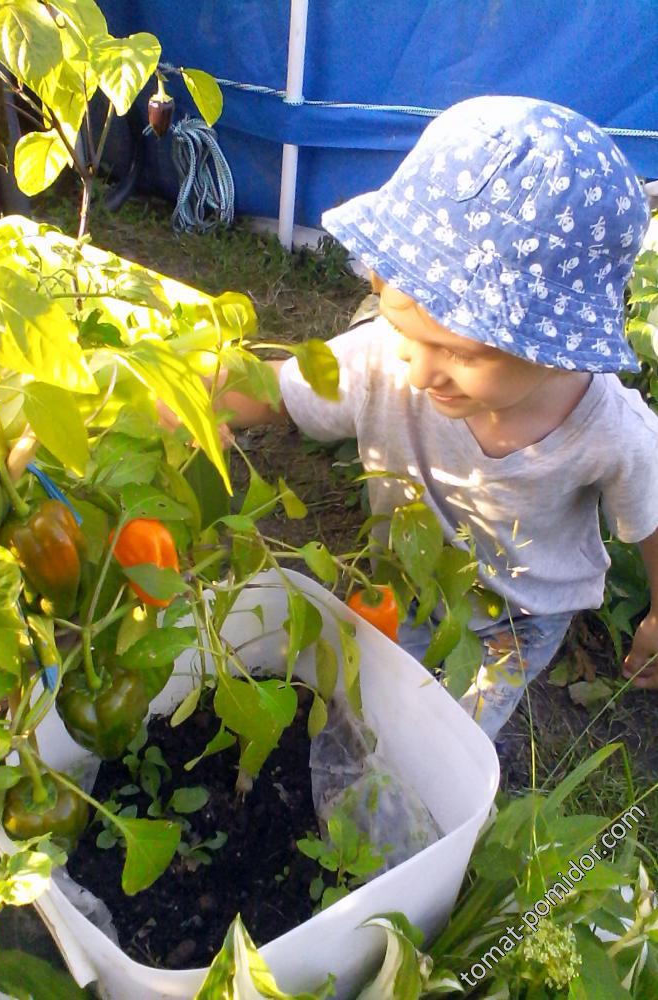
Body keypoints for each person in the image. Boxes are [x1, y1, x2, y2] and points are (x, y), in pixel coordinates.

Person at [182, 95, 658, 741]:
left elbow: (650, 522)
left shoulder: (614, 431)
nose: (418, 373)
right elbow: (273, 389)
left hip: (521, 618)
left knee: (449, 738)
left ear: (556, 348)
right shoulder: (380, 361)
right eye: (404, 330)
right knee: (370, 702)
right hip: (406, 580)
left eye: (460, 353)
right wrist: (185, 402)